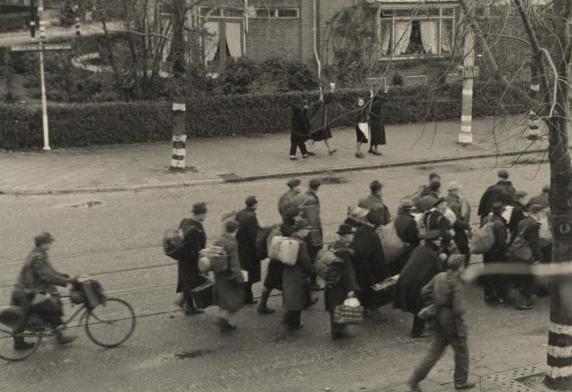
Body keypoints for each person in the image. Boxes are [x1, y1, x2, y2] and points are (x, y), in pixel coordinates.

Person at [408, 254, 475, 391]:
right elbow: (458, 309)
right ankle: (460, 382)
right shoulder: (456, 283)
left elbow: (424, 291)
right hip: (452, 323)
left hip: (436, 318)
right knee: (462, 351)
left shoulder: (439, 276)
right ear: (460, 267)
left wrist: (434, 303)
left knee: (435, 351)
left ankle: (415, 379)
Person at [11, 232, 76, 349]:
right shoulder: (38, 257)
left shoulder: (38, 254)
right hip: (26, 292)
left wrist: (64, 276)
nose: (50, 245)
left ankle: (20, 342)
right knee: (48, 308)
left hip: (24, 290)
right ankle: (59, 336)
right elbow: (47, 276)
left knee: (29, 314)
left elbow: (50, 272)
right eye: (49, 243)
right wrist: (67, 281)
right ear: (42, 244)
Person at [394, 230, 444, 338]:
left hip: (406, 281)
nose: (440, 241)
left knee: (419, 304)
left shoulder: (419, 249)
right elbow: (439, 272)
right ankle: (417, 332)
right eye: (438, 240)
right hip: (416, 284)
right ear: (432, 242)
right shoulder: (432, 255)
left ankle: (425, 326)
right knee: (422, 305)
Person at [257, 207, 300, 315]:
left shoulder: (278, 227)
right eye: (298, 215)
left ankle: (262, 305)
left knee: (269, 284)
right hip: (284, 261)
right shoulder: (289, 229)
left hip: (274, 260)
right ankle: (287, 312)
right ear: (293, 217)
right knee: (287, 286)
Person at [325, 224, 359, 339]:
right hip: (340, 284)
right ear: (345, 236)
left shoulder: (332, 245)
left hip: (331, 282)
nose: (353, 236)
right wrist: (351, 289)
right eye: (351, 234)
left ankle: (336, 330)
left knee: (333, 307)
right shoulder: (344, 252)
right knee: (339, 306)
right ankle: (338, 331)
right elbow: (347, 272)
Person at [350, 210, 388, 312]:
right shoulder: (373, 236)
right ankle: (370, 307)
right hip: (368, 268)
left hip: (357, 265)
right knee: (370, 289)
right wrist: (383, 273)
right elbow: (378, 257)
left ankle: (361, 306)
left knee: (360, 287)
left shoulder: (358, 231)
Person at [213, 220, 245, 333]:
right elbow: (234, 263)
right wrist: (239, 278)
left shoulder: (219, 241)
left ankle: (224, 322)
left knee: (224, 298)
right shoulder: (232, 244)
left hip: (219, 275)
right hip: (229, 277)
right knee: (234, 299)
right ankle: (223, 319)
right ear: (236, 230)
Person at [282, 219, 314, 331]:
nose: (308, 232)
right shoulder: (301, 243)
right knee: (297, 298)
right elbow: (305, 261)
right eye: (306, 229)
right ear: (301, 230)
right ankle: (294, 324)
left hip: (287, 272)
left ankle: (288, 319)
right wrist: (310, 271)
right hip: (298, 274)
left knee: (290, 296)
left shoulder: (289, 239)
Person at [177, 202, 208, 315]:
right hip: (192, 261)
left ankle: (188, 305)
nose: (205, 216)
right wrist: (202, 261)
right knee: (193, 283)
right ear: (200, 214)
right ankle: (189, 307)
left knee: (187, 282)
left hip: (183, 259)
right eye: (205, 213)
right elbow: (197, 250)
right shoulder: (196, 228)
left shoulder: (184, 221)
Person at [511, 205, 543, 310]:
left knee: (523, 278)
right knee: (529, 278)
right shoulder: (534, 225)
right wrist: (538, 257)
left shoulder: (523, 221)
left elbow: (515, 236)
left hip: (518, 253)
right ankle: (522, 302)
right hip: (527, 255)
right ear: (537, 213)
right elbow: (534, 244)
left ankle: (522, 301)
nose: (542, 216)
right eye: (541, 213)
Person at [482, 201, 509, 304]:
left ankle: (488, 293)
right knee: (499, 274)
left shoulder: (486, 219)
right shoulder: (500, 223)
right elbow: (502, 242)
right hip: (497, 253)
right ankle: (499, 295)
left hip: (487, 250)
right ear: (501, 211)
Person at [299, 178, 324, 291]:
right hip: (312, 234)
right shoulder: (311, 200)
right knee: (313, 257)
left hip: (305, 231)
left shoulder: (303, 196)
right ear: (317, 187)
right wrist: (317, 239)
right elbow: (313, 220)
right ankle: (313, 282)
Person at [236, 196, 261, 305]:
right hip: (249, 250)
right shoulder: (251, 217)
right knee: (250, 275)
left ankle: (246, 297)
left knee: (244, 273)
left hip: (240, 248)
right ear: (254, 204)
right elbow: (253, 235)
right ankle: (247, 298)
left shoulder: (240, 213)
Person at [444, 181, 472, 263]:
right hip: (457, 233)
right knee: (466, 253)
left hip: (448, 232)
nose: (461, 192)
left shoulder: (445, 199)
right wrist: (468, 226)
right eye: (459, 190)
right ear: (454, 190)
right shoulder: (454, 204)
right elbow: (455, 221)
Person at [393, 199, 421, 275]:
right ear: (410, 209)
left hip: (396, 248)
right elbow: (414, 239)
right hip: (407, 251)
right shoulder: (411, 221)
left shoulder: (396, 218)